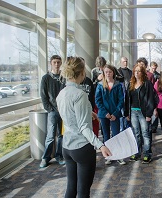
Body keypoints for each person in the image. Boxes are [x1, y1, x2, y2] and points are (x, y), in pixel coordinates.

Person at [56, 57, 111, 197]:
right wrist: (100, 145)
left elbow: (69, 115)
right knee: (83, 192)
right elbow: (84, 128)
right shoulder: (80, 95)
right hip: (82, 148)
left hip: (67, 147)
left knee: (71, 189)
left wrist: (89, 112)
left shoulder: (61, 94)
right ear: (81, 73)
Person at [95, 65, 126, 165]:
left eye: (110, 72)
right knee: (106, 135)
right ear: (103, 73)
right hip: (104, 115)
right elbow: (98, 101)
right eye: (106, 72)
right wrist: (105, 113)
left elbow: (121, 100)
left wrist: (115, 113)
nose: (108, 74)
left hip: (115, 115)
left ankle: (118, 155)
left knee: (116, 135)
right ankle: (109, 156)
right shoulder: (100, 85)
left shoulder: (118, 85)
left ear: (113, 73)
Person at [124, 64, 155, 163]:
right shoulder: (131, 83)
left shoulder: (147, 84)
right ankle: (137, 153)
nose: (136, 73)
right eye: (135, 71)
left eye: (139, 71)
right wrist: (127, 113)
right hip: (133, 111)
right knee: (136, 133)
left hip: (144, 112)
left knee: (145, 134)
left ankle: (147, 154)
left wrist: (149, 114)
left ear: (143, 73)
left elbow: (151, 99)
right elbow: (127, 100)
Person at [39, 55, 65, 168]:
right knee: (50, 135)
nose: (56, 64)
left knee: (61, 135)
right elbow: (43, 95)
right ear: (51, 63)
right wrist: (49, 109)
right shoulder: (46, 78)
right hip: (52, 111)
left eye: (58, 62)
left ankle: (59, 156)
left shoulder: (63, 78)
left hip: (63, 111)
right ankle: (45, 158)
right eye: (54, 62)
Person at [118, 57, 132, 131]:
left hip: (128, 95)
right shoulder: (117, 72)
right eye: (123, 62)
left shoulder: (131, 72)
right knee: (121, 114)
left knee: (127, 114)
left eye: (126, 61)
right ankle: (121, 130)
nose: (125, 63)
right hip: (121, 95)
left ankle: (127, 130)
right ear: (120, 62)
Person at [149, 61, 161, 133]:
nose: (153, 70)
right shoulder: (147, 74)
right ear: (150, 67)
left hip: (155, 93)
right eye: (152, 68)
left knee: (155, 110)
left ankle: (154, 127)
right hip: (149, 93)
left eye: (155, 68)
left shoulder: (158, 75)